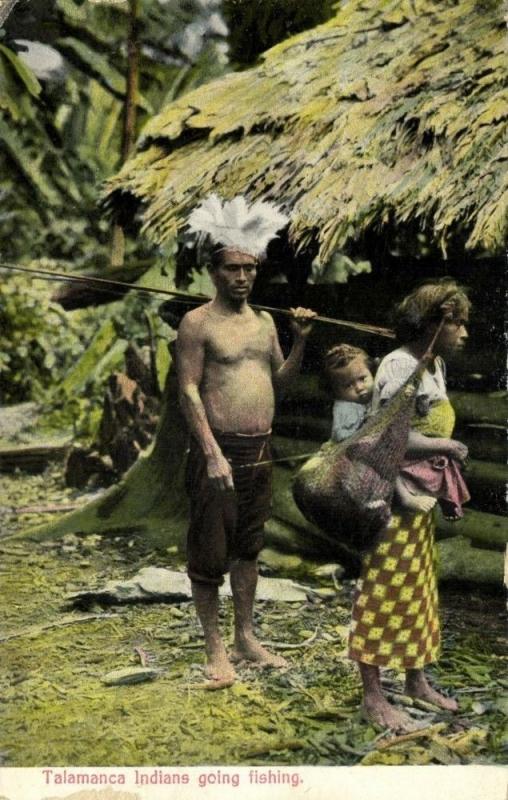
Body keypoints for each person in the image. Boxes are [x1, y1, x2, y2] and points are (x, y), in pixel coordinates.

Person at [177, 222, 316, 684]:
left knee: (249, 546)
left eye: (249, 268)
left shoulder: (265, 323)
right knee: (210, 549)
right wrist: (212, 453)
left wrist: (300, 339)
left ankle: (244, 636)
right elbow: (189, 392)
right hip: (218, 449)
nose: (242, 277)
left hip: (260, 447)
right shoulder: (197, 324)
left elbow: (281, 382)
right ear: (213, 272)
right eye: (232, 268)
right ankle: (214, 646)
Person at [347, 279, 470, 731]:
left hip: (421, 495)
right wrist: (446, 445)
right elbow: (387, 437)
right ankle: (373, 695)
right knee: (383, 587)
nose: (464, 332)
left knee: (418, 585)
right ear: (433, 322)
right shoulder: (398, 367)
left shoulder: (432, 365)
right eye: (457, 322)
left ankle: (416, 679)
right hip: (390, 495)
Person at [324, 343, 470, 519]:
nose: (359, 387)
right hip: (357, 451)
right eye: (348, 386)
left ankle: (447, 497)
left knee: (428, 460)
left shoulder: (373, 395)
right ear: (335, 392)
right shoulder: (345, 407)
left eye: (363, 378)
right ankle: (404, 497)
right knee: (387, 461)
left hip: (376, 442)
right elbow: (348, 437)